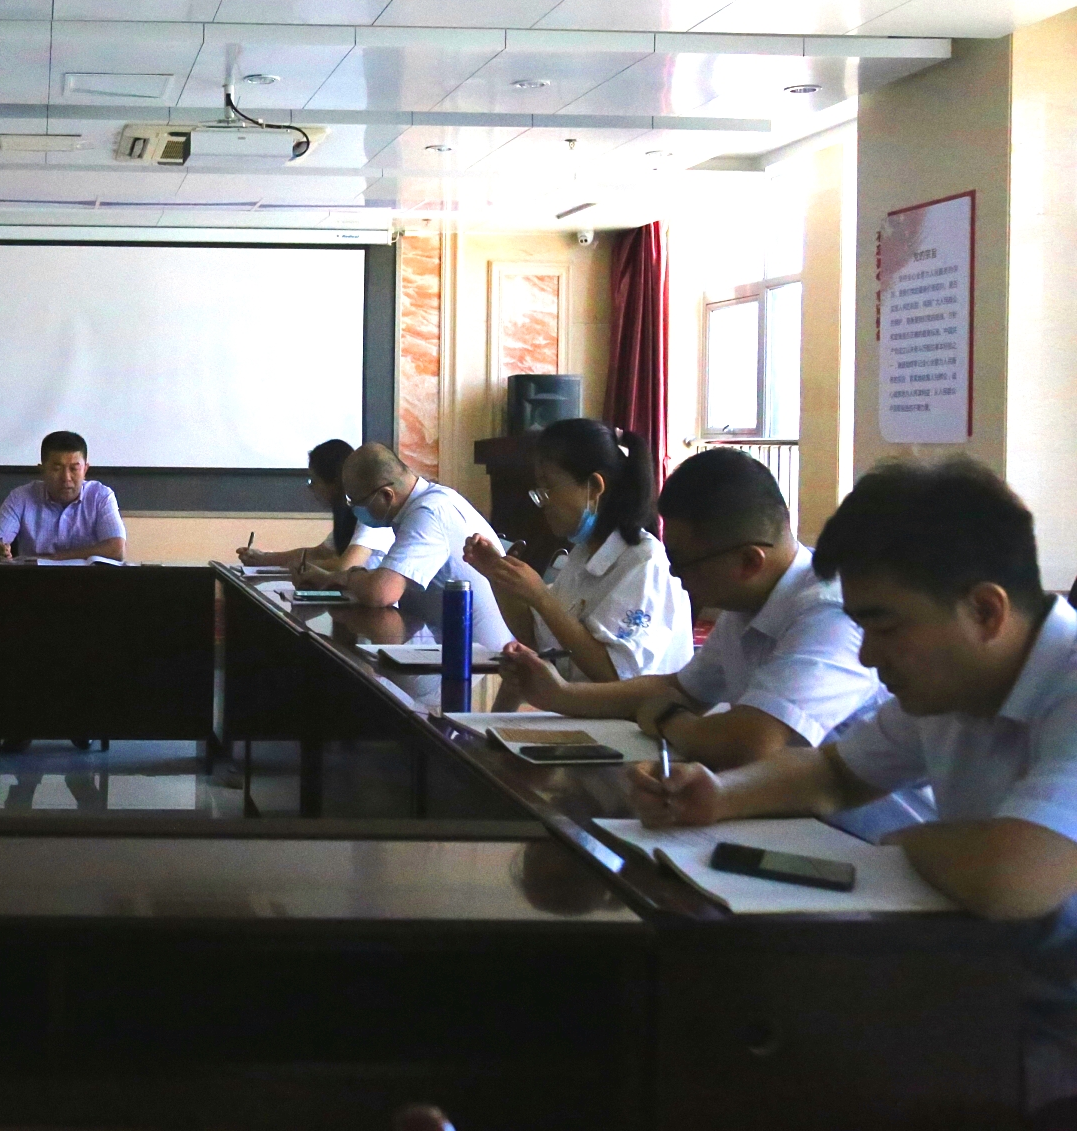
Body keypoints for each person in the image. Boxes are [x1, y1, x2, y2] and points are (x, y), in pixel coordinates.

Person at [628, 458, 1077, 1112]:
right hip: (993, 986)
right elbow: (835, 772)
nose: (866, 655)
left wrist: (908, 842)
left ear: (985, 610)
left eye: (885, 627)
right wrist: (718, 796)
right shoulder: (953, 683)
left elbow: (1010, 877)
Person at [493, 448, 882, 770]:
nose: (676, 575)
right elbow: (680, 689)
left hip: (857, 833)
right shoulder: (746, 601)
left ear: (749, 561)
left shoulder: (831, 614)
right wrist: (558, 695)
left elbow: (748, 742)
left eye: (684, 562)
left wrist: (668, 719)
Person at [461, 419, 693, 684]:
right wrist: (497, 574)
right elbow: (537, 637)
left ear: (594, 487)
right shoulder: (583, 554)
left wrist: (541, 597)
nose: (542, 502)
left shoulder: (645, 563)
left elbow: (615, 674)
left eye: (548, 487)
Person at [295, 443, 512, 649]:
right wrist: (332, 578)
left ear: (386, 495)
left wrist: (346, 577)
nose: (354, 510)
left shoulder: (429, 513)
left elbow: (381, 592)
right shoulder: (422, 505)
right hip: (447, 645)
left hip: (477, 659)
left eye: (356, 502)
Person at [236, 438, 394, 573]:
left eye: (313, 480)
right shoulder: (347, 514)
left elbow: (345, 566)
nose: (311, 488)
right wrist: (263, 558)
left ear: (333, 482)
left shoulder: (372, 514)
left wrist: (300, 566)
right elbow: (320, 553)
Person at [0, 430, 126, 563]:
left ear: (85, 469)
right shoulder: (20, 498)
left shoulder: (101, 496)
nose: (66, 478)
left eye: (74, 469)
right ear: (42, 470)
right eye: (57, 469)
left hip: (87, 579)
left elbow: (117, 549)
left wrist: (56, 559)